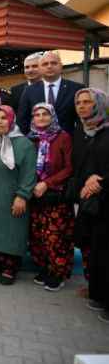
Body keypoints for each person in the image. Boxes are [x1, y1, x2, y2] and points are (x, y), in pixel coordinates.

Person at [0, 105, 37, 285]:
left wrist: (22, 195)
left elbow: (29, 172)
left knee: (11, 231)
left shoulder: (24, 144)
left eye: (4, 118)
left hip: (11, 195)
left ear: (12, 120)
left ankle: (10, 267)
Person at [70, 88, 109, 322]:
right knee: (92, 245)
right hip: (88, 200)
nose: (82, 106)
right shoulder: (82, 131)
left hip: (105, 198)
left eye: (87, 102)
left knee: (106, 249)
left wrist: (100, 181)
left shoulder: (107, 131)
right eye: (79, 103)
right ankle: (97, 291)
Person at [27, 103, 74, 292]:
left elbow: (69, 167)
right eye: (36, 114)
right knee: (38, 235)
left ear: (52, 116)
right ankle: (45, 268)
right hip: (35, 195)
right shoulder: (31, 139)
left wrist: (47, 183)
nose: (40, 118)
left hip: (56, 195)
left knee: (56, 237)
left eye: (44, 114)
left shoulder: (63, 137)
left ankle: (58, 273)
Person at [17, 51, 85, 135]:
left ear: (61, 66)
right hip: (38, 143)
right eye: (45, 64)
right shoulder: (29, 91)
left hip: (68, 143)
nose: (49, 66)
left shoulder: (76, 88)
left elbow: (82, 119)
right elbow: (22, 120)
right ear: (40, 68)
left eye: (53, 63)